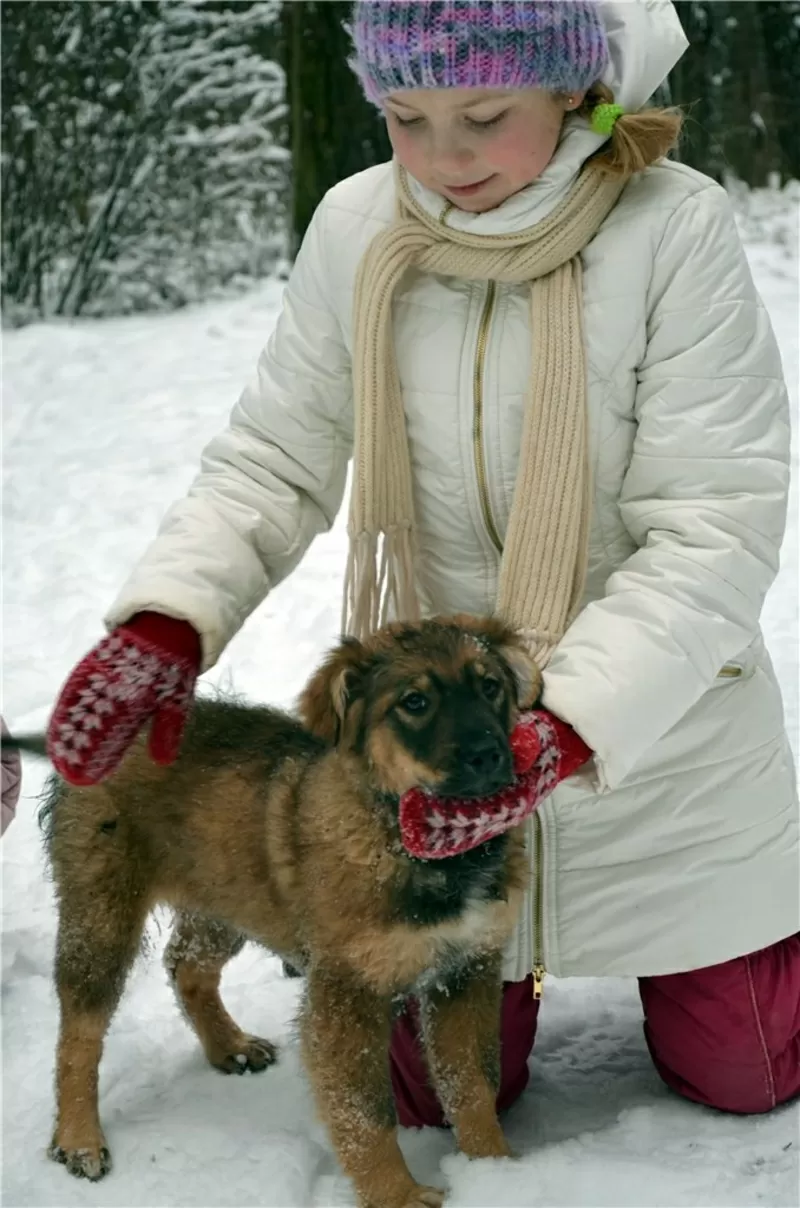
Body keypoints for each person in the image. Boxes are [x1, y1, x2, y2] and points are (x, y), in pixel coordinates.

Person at [45, 0, 799, 1122]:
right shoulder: (358, 228)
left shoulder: (669, 226)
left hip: (658, 739)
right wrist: (168, 618)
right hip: (437, 739)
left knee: (747, 1074)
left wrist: (567, 726)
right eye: (404, 117)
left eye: (482, 115)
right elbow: (270, 455)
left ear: (571, 91)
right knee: (432, 1098)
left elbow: (709, 521)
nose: (442, 159)